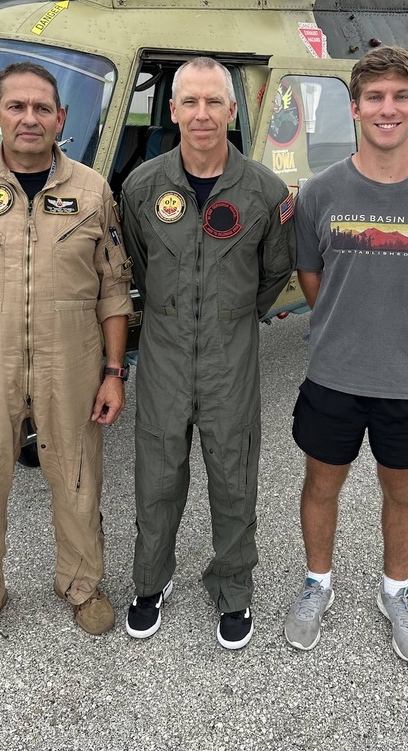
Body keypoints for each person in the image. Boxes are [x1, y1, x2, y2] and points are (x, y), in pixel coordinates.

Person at [0, 62, 133, 661]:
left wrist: (113, 372)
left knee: (79, 478)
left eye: (43, 109)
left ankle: (81, 585)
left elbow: (114, 288)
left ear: (62, 119)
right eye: (17, 107)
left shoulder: (92, 190)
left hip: (74, 363)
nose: (30, 118)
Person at [283, 45, 408, 663]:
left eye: (401, 97)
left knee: (403, 493)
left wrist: (400, 322)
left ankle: (395, 591)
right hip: (333, 375)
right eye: (375, 97)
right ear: (355, 107)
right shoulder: (320, 193)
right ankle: (318, 586)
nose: (387, 109)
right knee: (321, 486)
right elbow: (313, 282)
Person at [120, 56, 296, 650]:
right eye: (188, 102)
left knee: (234, 474)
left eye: (212, 102)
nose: (201, 114)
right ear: (171, 111)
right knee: (158, 475)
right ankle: (150, 582)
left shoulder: (265, 192)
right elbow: (139, 267)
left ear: (231, 110)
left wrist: (229, 313)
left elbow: (273, 275)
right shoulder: (142, 187)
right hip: (165, 357)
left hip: (231, 359)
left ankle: (233, 588)